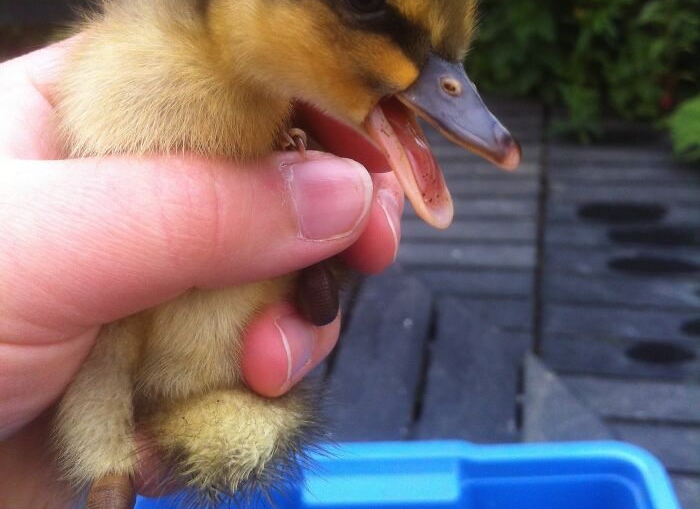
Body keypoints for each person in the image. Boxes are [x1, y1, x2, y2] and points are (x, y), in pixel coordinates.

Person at [0, 38, 404, 506]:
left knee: (112, 355)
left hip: (200, 341)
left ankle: (109, 481)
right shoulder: (160, 64)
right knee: (108, 355)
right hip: (132, 318)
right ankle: (107, 476)